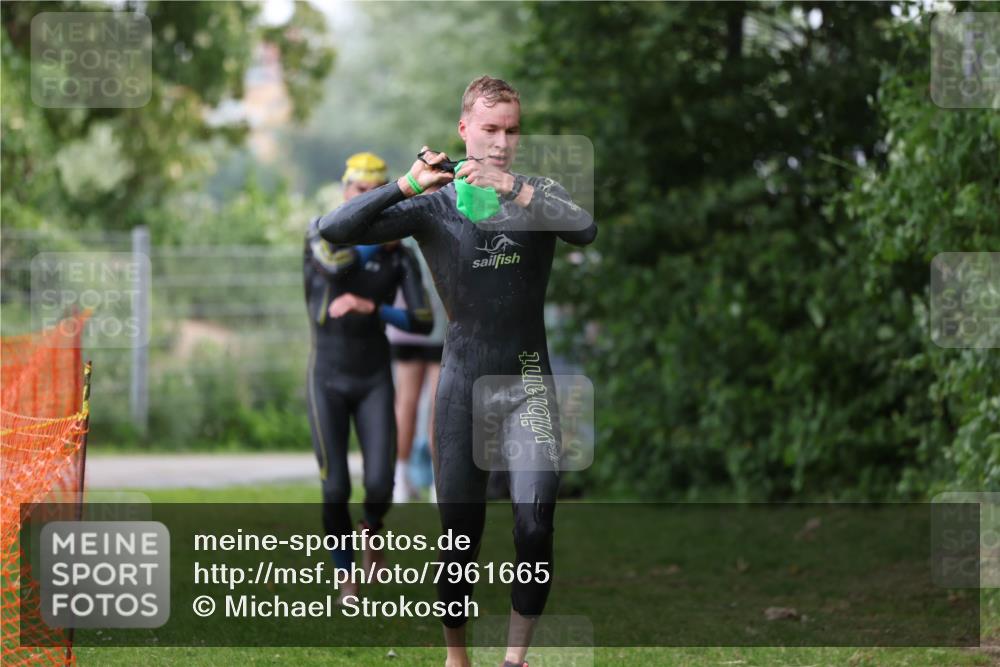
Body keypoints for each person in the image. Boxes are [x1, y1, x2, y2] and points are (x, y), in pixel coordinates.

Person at [317, 77, 596, 667]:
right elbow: (334, 230)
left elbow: (584, 228)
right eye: (489, 129)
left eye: (511, 131)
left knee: (536, 523)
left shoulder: (535, 193)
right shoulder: (435, 203)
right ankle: (457, 657)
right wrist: (404, 184)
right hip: (463, 385)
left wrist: (512, 187)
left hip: (528, 384)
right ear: (464, 129)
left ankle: (514, 660)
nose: (500, 142)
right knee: (459, 542)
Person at [303, 151, 434, 604]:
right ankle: (346, 577)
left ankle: (372, 528)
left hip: (374, 376)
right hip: (327, 378)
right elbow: (338, 265)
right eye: (361, 193)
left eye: (376, 194)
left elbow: (421, 321)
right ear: (346, 192)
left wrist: (373, 307)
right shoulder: (321, 232)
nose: (367, 201)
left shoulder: (401, 256)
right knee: (335, 486)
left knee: (381, 484)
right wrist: (382, 236)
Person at [387, 236, 446, 503]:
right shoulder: (445, 214)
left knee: (405, 402)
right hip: (439, 326)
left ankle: (401, 481)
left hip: (405, 327)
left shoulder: (400, 221)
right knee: (438, 405)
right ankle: (437, 484)